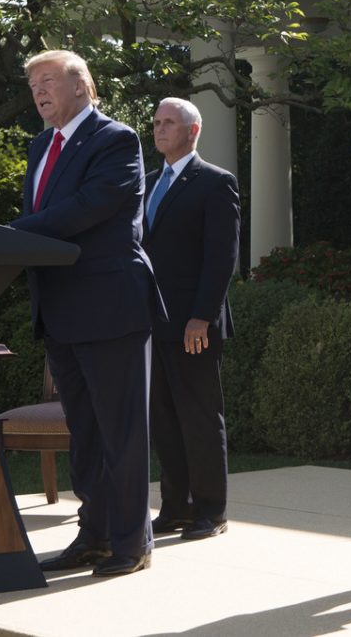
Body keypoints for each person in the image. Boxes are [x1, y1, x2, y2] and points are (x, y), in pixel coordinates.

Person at [11, 49, 164, 577]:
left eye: (49, 81)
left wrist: (10, 235)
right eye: (34, 86)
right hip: (59, 308)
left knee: (120, 431)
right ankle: (94, 534)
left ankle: (131, 542)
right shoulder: (39, 146)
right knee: (86, 433)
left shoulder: (115, 140)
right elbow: (41, 214)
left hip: (108, 305)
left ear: (83, 85)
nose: (39, 93)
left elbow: (85, 209)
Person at [143, 97, 240, 540]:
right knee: (163, 419)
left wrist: (201, 316)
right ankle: (176, 507)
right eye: (157, 122)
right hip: (151, 324)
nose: (160, 129)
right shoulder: (146, 183)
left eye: (169, 123)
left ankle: (210, 510)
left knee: (200, 418)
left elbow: (221, 258)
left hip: (192, 326)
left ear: (193, 131)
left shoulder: (215, 183)